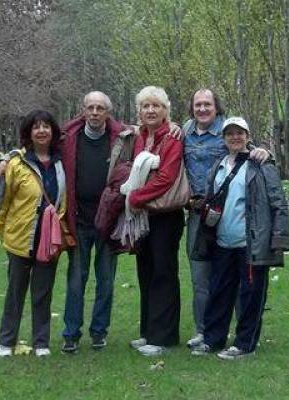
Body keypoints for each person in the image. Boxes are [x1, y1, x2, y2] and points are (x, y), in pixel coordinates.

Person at [190, 117, 289, 359]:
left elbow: (279, 204)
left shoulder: (262, 165)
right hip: (222, 242)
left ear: (247, 135)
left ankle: (245, 344)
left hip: (252, 244)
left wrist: (280, 238)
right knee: (219, 292)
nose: (235, 137)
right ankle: (213, 339)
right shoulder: (219, 165)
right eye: (230, 133)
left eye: (240, 133)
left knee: (250, 296)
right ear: (223, 138)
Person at [183, 88, 270, 348]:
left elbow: (248, 151)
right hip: (201, 217)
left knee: (240, 281)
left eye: (207, 104)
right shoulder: (185, 132)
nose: (202, 109)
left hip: (234, 221)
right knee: (205, 278)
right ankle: (206, 332)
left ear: (216, 107)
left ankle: (242, 337)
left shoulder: (228, 132)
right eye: (197, 104)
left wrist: (266, 153)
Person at [0, 110, 66, 357]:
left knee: (43, 293)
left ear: (53, 131)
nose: (42, 131)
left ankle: (41, 342)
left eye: (46, 126)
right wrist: (1, 228)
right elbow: (4, 200)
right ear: (29, 133)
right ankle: (6, 341)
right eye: (36, 127)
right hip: (20, 237)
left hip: (49, 239)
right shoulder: (16, 163)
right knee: (15, 292)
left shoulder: (61, 161)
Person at [60, 91, 125, 353]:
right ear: (83, 111)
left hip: (108, 222)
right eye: (91, 108)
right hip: (79, 220)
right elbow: (35, 144)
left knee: (106, 279)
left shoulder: (122, 139)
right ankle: (70, 333)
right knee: (76, 279)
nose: (95, 112)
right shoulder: (68, 138)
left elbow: (152, 133)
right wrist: (6, 158)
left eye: (100, 108)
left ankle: (99, 331)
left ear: (108, 112)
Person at [126, 86, 185, 356]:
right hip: (144, 216)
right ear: (139, 110)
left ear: (165, 111)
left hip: (165, 215)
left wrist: (134, 197)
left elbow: (166, 178)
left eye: (156, 106)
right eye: (146, 106)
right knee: (145, 271)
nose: (151, 110)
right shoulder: (140, 137)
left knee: (163, 273)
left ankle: (163, 337)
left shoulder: (171, 138)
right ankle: (148, 331)